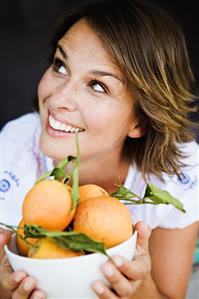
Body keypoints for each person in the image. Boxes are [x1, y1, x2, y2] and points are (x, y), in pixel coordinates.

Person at [0, 0, 199, 298]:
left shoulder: (179, 174)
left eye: (97, 86)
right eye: (60, 65)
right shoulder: (11, 152)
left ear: (141, 120)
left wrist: (138, 286)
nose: (58, 99)